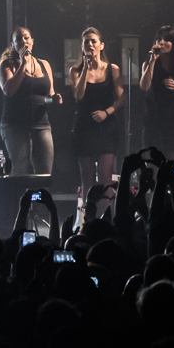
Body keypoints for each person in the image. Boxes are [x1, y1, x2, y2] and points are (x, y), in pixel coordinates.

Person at [69, 27, 124, 213]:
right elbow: (79, 95)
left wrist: (106, 112)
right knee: (87, 177)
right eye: (86, 42)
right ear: (82, 47)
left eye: (93, 41)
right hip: (84, 126)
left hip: (106, 125)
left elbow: (121, 99)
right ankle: (88, 218)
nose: (90, 45)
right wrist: (86, 67)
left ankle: (106, 216)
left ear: (101, 45)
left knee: (106, 177)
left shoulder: (112, 69)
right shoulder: (76, 70)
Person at [0, 27, 62, 175]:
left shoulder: (44, 64)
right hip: (15, 125)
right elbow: (9, 91)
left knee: (44, 172)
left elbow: (49, 94)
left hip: (41, 124)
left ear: (32, 41)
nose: (23, 41)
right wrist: (23, 64)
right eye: (19, 39)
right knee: (21, 169)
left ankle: (39, 198)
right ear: (13, 44)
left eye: (26, 38)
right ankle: (18, 198)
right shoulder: (7, 64)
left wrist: (55, 98)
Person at [139, 26, 174, 161]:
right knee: (155, 167)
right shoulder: (148, 64)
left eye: (166, 39)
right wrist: (152, 60)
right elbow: (144, 87)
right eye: (159, 39)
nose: (162, 42)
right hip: (154, 121)